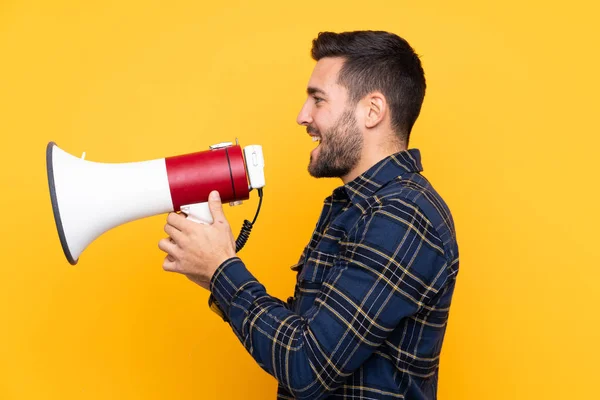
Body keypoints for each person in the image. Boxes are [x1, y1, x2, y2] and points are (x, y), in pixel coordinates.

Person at [158, 30, 459, 400]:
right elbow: (308, 331)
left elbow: (307, 365)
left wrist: (223, 270)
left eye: (318, 100)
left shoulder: (402, 215)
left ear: (372, 111)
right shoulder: (356, 208)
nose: (303, 117)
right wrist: (212, 274)